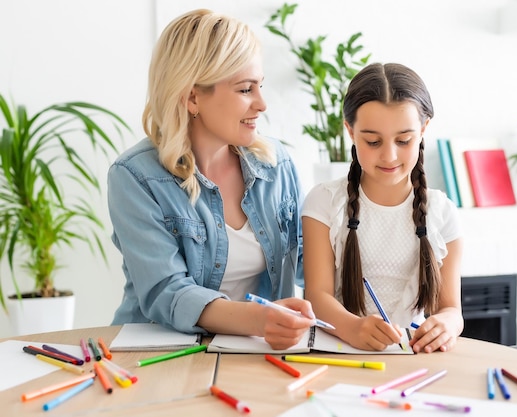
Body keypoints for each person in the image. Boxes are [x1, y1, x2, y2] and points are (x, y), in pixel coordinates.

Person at [108, 9, 313, 350]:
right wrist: (260, 320)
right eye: (246, 89)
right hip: (160, 354)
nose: (262, 104)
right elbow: (167, 291)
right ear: (192, 97)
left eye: (260, 86)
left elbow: (311, 261)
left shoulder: (277, 164)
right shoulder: (135, 177)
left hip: (253, 352)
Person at [302, 63, 464, 354]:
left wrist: (448, 324)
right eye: (373, 141)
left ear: (423, 129)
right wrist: (353, 328)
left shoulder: (443, 211)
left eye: (403, 140)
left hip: (413, 358)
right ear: (350, 131)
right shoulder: (324, 201)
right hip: (338, 354)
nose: (389, 156)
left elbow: (451, 308)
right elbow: (316, 295)